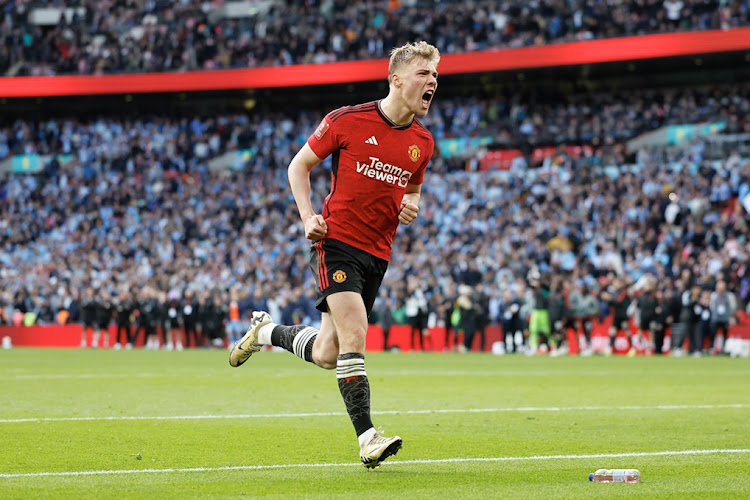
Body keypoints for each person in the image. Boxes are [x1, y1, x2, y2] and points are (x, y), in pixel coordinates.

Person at [229, 41, 440, 468]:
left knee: (329, 352)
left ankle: (265, 332)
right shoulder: (347, 120)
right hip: (336, 242)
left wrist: (411, 204)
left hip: (377, 253)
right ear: (396, 79)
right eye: (424, 73)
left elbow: (412, 188)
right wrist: (308, 216)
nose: (433, 80)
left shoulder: (423, 142)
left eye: (436, 74)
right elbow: (298, 165)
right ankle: (367, 438)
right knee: (356, 332)